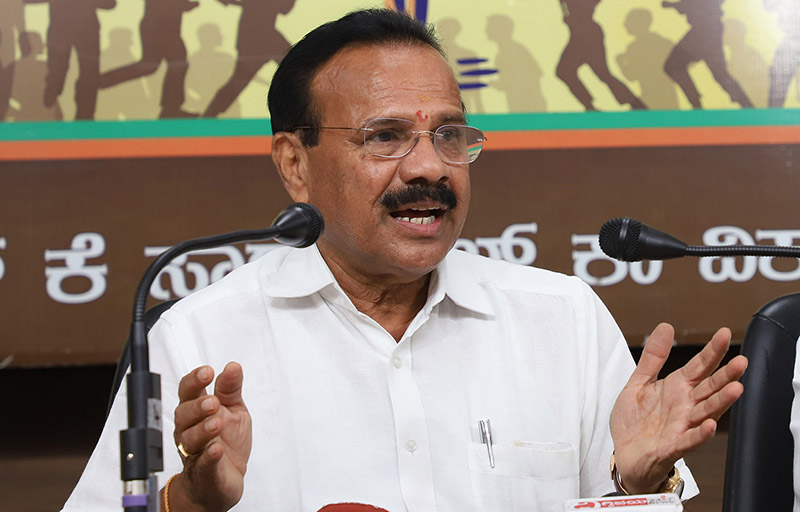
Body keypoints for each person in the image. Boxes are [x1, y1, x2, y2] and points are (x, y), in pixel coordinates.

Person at [61, 9, 747, 511]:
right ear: (295, 164)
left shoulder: (562, 320)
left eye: (449, 134)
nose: (430, 167)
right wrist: (192, 501)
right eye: (385, 136)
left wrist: (635, 483)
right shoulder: (200, 338)